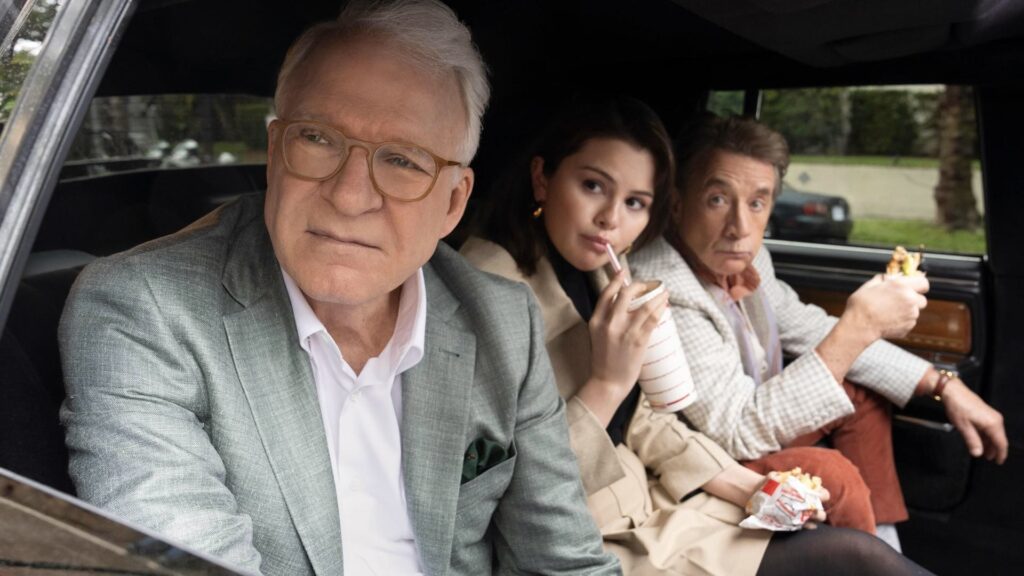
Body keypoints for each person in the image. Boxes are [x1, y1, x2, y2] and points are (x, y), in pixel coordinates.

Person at [58, 1, 619, 574]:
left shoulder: (503, 322)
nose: (350, 196)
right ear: (275, 154)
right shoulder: (143, 310)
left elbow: (566, 564)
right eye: (318, 138)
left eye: (402, 160)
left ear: (454, 202)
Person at [462, 95, 933, 575]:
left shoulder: (603, 270)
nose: (610, 218)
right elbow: (506, 487)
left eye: (635, 202)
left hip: (654, 505)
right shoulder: (486, 290)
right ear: (542, 178)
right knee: (853, 556)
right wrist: (607, 384)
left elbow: (643, 420)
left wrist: (748, 486)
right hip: (584, 533)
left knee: (847, 542)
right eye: (592, 186)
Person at [629, 114, 1008, 549]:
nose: (740, 228)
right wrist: (859, 326)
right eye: (717, 199)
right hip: (709, 457)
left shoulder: (746, 257)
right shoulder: (663, 288)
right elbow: (735, 431)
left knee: (860, 392)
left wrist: (943, 384)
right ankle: (872, 561)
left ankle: (884, 543)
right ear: (677, 203)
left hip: (750, 419)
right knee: (833, 474)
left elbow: (806, 325)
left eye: (757, 203)